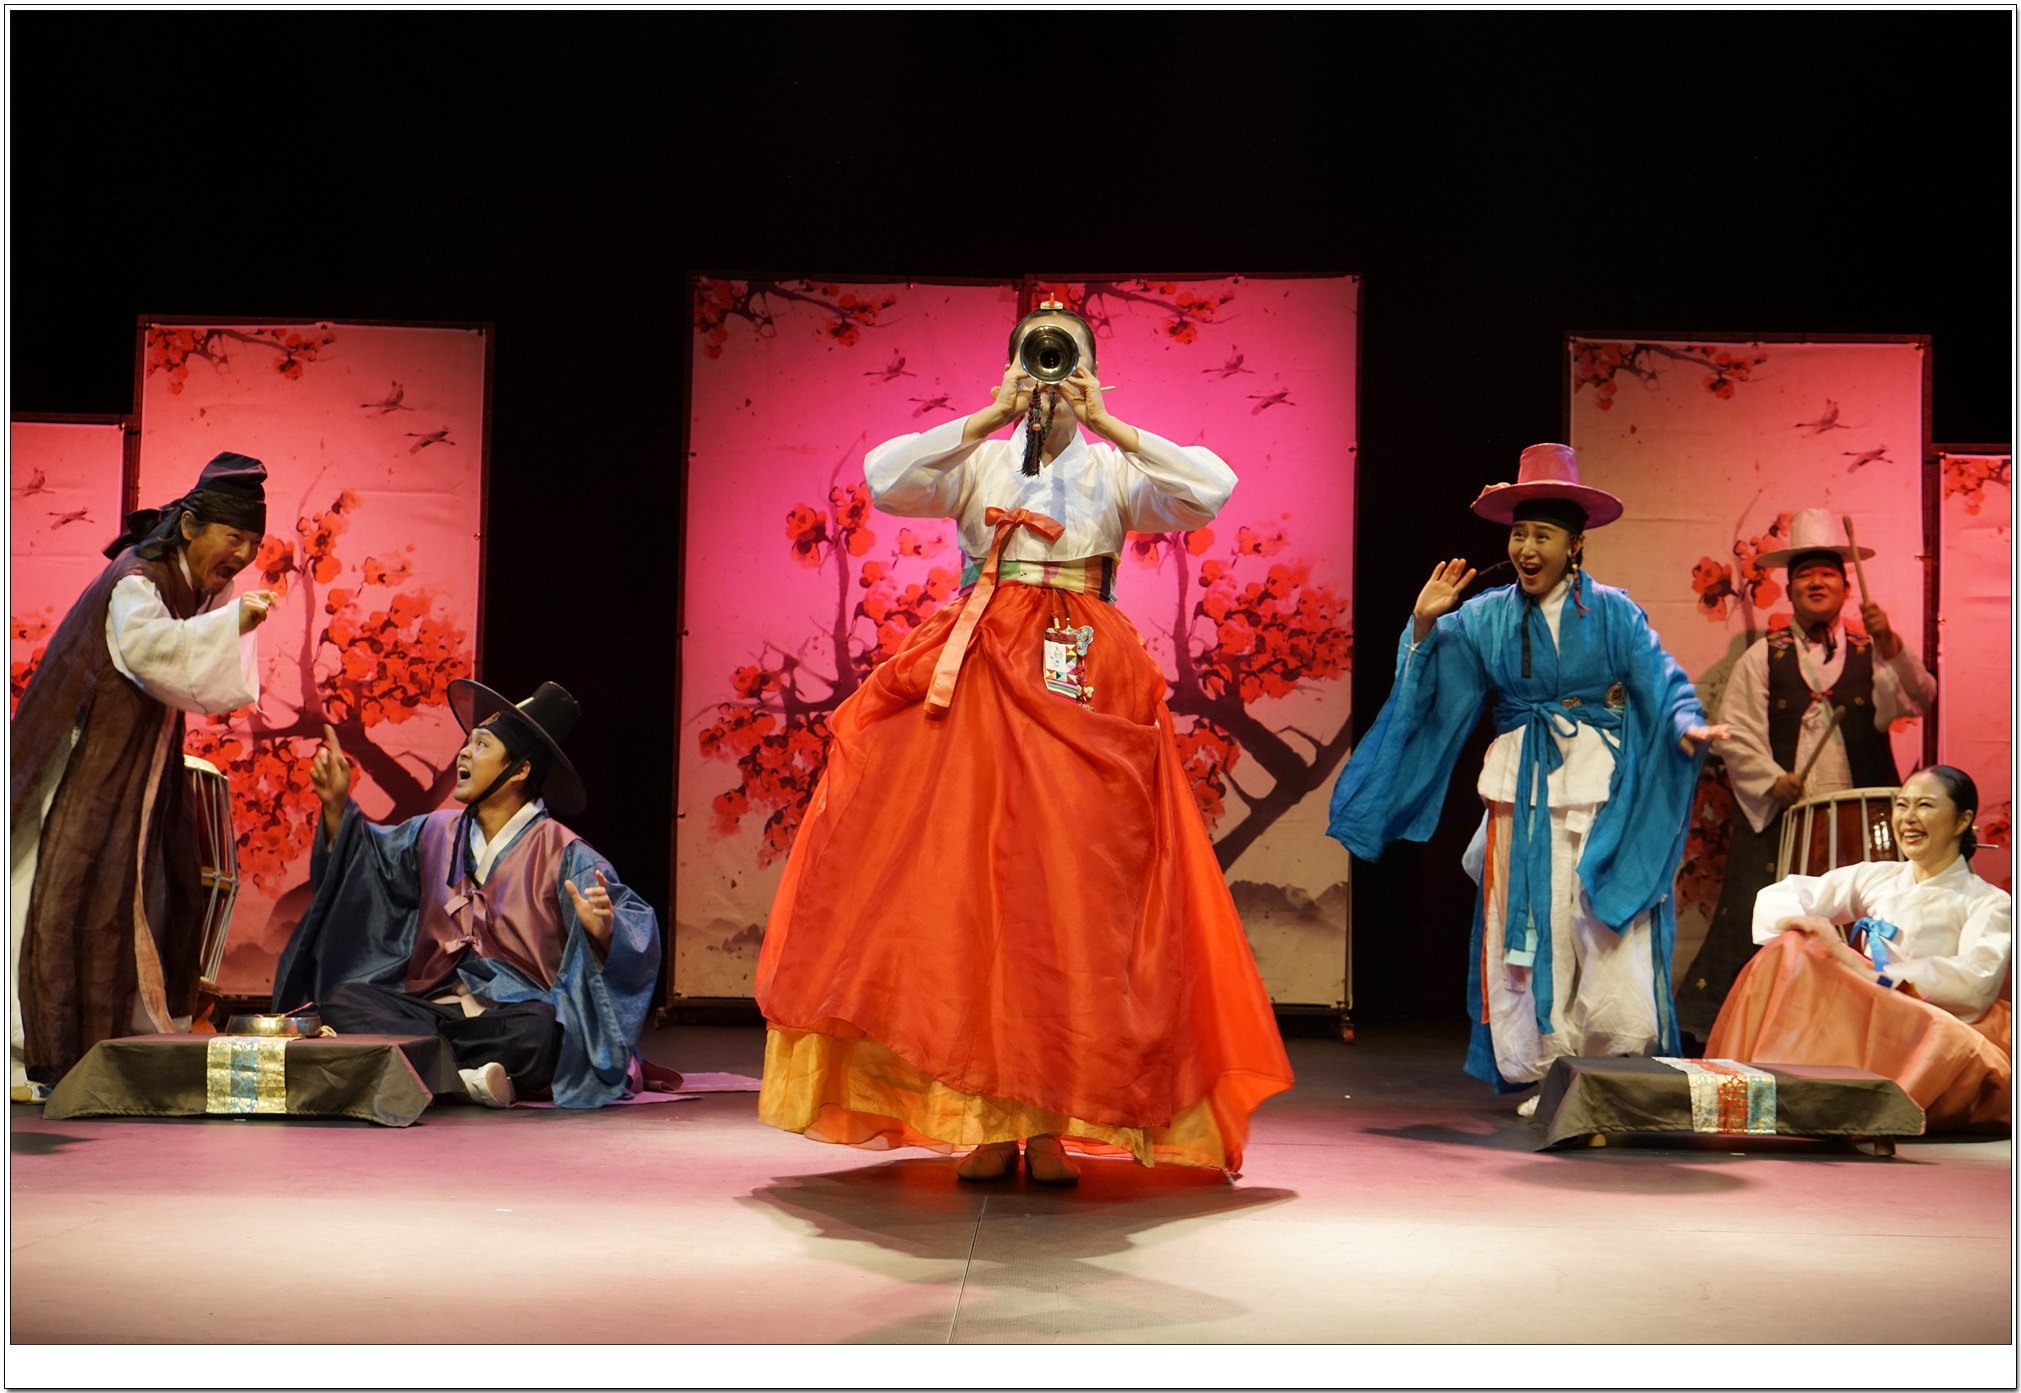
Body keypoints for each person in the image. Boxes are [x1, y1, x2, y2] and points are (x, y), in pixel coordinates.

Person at [755, 301, 1294, 1183]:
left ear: (1093, 372)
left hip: (1081, 666)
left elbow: (1210, 487)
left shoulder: (1115, 470)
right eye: (1038, 357)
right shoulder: (980, 458)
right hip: (981, 664)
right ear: (1011, 367)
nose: (1051, 371)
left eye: (1068, 357)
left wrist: (1106, 421)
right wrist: (988, 415)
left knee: (1069, 894)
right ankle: (987, 1121)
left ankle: (1047, 1121)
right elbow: (886, 479)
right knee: (976, 885)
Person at [1329, 444, 1726, 1104]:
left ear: (1574, 545)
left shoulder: (1614, 611)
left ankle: (1612, 1066)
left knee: (1599, 916)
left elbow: (1659, 679)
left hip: (1596, 784)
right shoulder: (1485, 615)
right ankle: (1549, 1067)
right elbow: (1431, 684)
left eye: (1542, 535)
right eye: (1519, 534)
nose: (1527, 548)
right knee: (1530, 928)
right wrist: (1423, 625)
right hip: (1520, 787)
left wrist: (1685, 723)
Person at [10, 451, 278, 1099]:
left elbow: (192, 665)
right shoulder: (137, 577)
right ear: (189, 526)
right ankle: (29, 1046)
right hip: (87, 758)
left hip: (142, 759)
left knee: (158, 877)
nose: (243, 555)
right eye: (234, 537)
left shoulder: (198, 582)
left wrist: (225, 617)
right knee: (62, 885)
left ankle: (113, 1035)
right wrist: (231, 623)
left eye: (253, 543)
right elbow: (148, 650)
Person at [271, 680, 663, 1109]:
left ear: (519, 771)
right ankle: (466, 1076)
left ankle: (425, 1064)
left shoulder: (565, 853)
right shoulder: (434, 833)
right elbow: (367, 863)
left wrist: (607, 932)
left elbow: (634, 927)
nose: (464, 753)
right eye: (468, 742)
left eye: (481, 745)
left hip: (510, 1013)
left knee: (541, 1031)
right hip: (432, 1007)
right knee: (342, 1002)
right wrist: (336, 807)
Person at [1676, 509, 1936, 1039]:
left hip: (1861, 822)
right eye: (1805, 575)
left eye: (1828, 574)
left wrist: (1892, 645)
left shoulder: (1872, 652)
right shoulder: (1762, 658)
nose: (1817, 582)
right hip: (1787, 819)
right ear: (1790, 589)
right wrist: (1773, 780)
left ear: (1845, 587)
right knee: (1767, 921)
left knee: (1868, 926)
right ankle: (1757, 1031)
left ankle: (1870, 1034)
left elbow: (1919, 699)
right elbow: (1738, 732)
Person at [1707, 765, 2010, 1130]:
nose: (1908, 818)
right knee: (1793, 944)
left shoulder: (1989, 901)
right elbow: (1790, 894)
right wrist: (1803, 923)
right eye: (1902, 805)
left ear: (1962, 820)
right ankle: (1764, 1091)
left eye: (1925, 805)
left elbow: (1974, 983)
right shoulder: (1880, 878)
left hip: (1931, 1023)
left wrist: (1877, 975)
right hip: (1871, 1014)